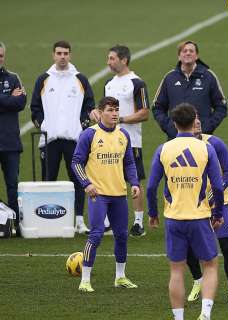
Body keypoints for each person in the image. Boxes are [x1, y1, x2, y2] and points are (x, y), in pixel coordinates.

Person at [146, 103, 225, 320]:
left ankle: (179, 318)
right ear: (194, 122)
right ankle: (205, 314)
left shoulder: (163, 149)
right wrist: (217, 215)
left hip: (173, 218)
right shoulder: (206, 148)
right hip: (199, 217)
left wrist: (152, 213)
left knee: (177, 270)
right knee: (210, 266)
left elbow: (151, 186)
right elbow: (217, 186)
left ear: (174, 123)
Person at [71, 96, 140, 293]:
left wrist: (134, 183)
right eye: (110, 110)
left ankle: (120, 277)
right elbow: (76, 162)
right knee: (97, 234)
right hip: (98, 194)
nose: (115, 113)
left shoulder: (123, 135)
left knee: (122, 235)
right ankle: (85, 280)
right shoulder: (89, 135)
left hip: (118, 193)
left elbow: (129, 163)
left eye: (116, 109)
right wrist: (86, 183)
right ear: (100, 113)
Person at [30, 40, 95, 234]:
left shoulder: (80, 79)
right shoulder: (43, 79)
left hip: (74, 140)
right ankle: (47, 221)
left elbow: (89, 106)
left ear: (70, 55)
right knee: (48, 180)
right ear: (53, 55)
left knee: (78, 179)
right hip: (49, 140)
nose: (62, 57)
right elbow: (35, 108)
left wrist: (82, 126)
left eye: (66, 53)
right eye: (59, 53)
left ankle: (79, 221)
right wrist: (43, 125)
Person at [185, 112, 228, 305]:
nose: (198, 121)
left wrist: (213, 195)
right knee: (190, 248)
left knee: (226, 246)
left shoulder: (215, 143)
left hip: (220, 203)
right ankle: (198, 282)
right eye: (193, 119)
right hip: (193, 205)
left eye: (199, 117)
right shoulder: (180, 147)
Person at [102, 45, 150, 237]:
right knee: (108, 180)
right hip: (108, 140)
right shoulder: (108, 83)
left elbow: (145, 113)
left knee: (134, 181)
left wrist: (120, 119)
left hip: (131, 141)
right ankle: (108, 222)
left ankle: (138, 222)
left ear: (124, 60)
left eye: (112, 58)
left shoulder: (136, 83)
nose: (108, 62)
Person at [153, 40, 228, 140]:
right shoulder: (169, 78)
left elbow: (221, 106)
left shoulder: (208, 76)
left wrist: (207, 127)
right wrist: (169, 127)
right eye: (184, 51)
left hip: (202, 139)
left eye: (191, 51)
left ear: (196, 56)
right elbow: (157, 107)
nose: (188, 53)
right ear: (179, 56)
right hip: (175, 138)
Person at [0, 42, 26, 235]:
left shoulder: (13, 77)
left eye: (1, 55)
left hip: (10, 143)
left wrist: (7, 100)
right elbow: (12, 101)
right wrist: (8, 99)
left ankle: (14, 224)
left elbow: (21, 102)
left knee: (12, 185)